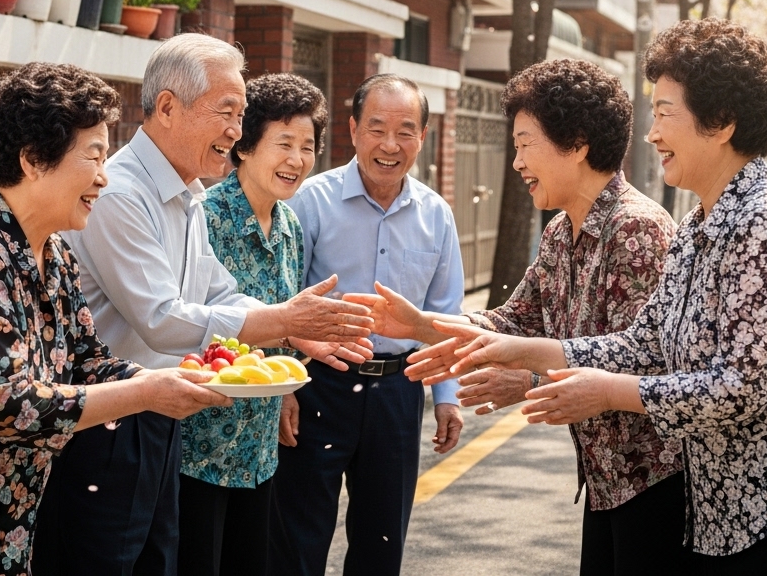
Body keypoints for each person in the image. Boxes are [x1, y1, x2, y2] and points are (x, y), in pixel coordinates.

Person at [409, 19, 767, 573]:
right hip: (731, 512)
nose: (652, 133)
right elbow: (644, 342)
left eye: (664, 113)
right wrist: (511, 349)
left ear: (723, 122)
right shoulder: (698, 226)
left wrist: (603, 390)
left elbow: (738, 389)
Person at [34, 34, 374, 576]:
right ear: (167, 106)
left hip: (157, 418)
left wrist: (287, 333)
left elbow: (216, 293)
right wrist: (283, 320)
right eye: (227, 112)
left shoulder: (185, 193)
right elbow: (162, 318)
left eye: (240, 115)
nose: (236, 131)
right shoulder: (123, 193)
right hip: (107, 424)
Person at [352, 59, 686, 574]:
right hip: (605, 480)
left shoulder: (637, 230)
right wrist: (421, 326)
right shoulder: (561, 231)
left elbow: (638, 361)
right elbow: (515, 320)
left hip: (652, 483)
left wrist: (527, 378)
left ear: (575, 145)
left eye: (525, 143)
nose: (515, 162)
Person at [0, 64, 230, 574]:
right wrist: (147, 393)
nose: (104, 176)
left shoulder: (53, 253)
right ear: (33, 160)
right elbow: (9, 406)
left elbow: (90, 361)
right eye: (93, 156)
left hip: (13, 522)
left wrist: (167, 379)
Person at [267, 74, 465, 576]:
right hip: (318, 387)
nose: (390, 145)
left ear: (423, 137)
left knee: (381, 542)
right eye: (377, 128)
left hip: (398, 392)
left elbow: (445, 316)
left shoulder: (436, 216)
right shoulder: (310, 201)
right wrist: (283, 386)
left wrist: (448, 399)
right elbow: (282, 298)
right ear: (353, 130)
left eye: (406, 130)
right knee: (296, 537)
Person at [178, 73, 332, 575]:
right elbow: (189, 320)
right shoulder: (205, 216)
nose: (297, 159)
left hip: (259, 448)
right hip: (198, 444)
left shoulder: (288, 225)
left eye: (307, 146)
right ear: (244, 146)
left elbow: (278, 322)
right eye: (283, 143)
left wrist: (287, 386)